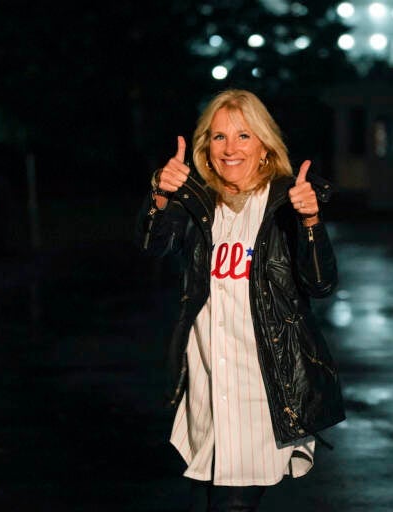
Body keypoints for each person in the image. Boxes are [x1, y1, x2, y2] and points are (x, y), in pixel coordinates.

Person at [135, 89, 344, 512]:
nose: (230, 149)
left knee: (232, 503)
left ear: (265, 145)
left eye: (244, 136)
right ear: (204, 148)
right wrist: (159, 194)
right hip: (208, 379)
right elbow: (152, 246)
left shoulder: (287, 200)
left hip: (263, 383)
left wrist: (310, 222)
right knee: (217, 497)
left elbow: (321, 283)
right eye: (218, 137)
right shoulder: (198, 203)